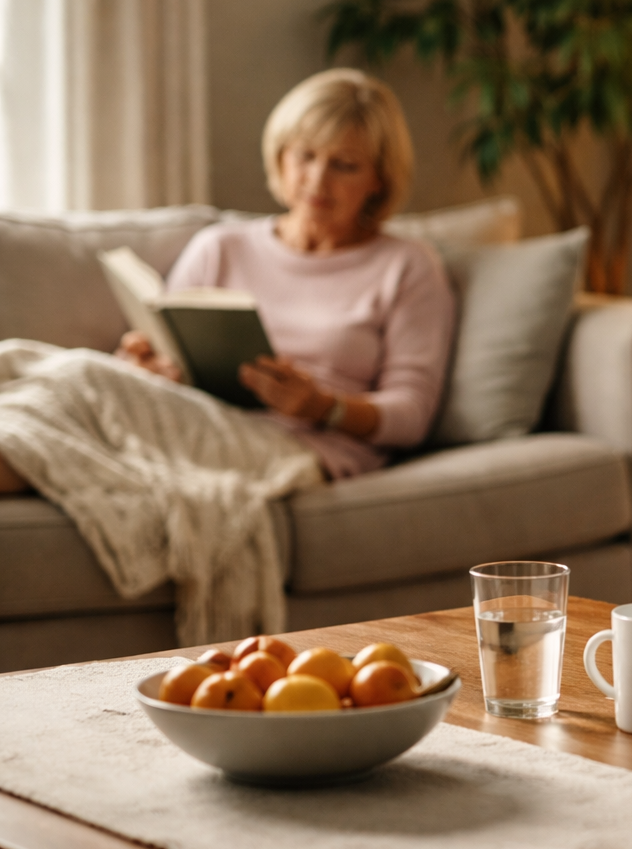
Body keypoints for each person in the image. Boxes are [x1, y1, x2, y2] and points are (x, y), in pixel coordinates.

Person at [0, 68, 455, 645]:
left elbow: (411, 413)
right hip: (189, 417)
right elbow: (165, 345)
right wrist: (148, 364)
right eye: (305, 156)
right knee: (44, 388)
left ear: (378, 180)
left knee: (71, 375)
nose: (317, 179)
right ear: (280, 156)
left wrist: (322, 405)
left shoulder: (407, 266)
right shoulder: (222, 246)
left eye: (344, 164)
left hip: (292, 444)